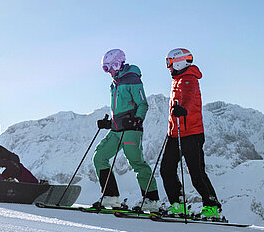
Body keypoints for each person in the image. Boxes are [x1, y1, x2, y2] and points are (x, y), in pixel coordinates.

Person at [93, 49, 160, 211]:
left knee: (136, 162)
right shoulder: (114, 83)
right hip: (117, 130)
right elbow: (120, 109)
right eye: (105, 69)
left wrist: (137, 120)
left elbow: (143, 104)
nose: (108, 72)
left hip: (131, 130)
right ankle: (111, 197)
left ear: (117, 63)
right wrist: (109, 123)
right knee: (99, 156)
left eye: (109, 68)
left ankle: (151, 200)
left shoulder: (132, 79)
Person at [160, 48, 222, 218]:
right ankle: (177, 204)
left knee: (196, 172)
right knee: (166, 169)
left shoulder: (189, 80)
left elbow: (188, 98)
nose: (168, 67)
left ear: (178, 61)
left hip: (191, 133)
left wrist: (183, 109)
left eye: (169, 63)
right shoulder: (177, 80)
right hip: (175, 133)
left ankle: (212, 207)